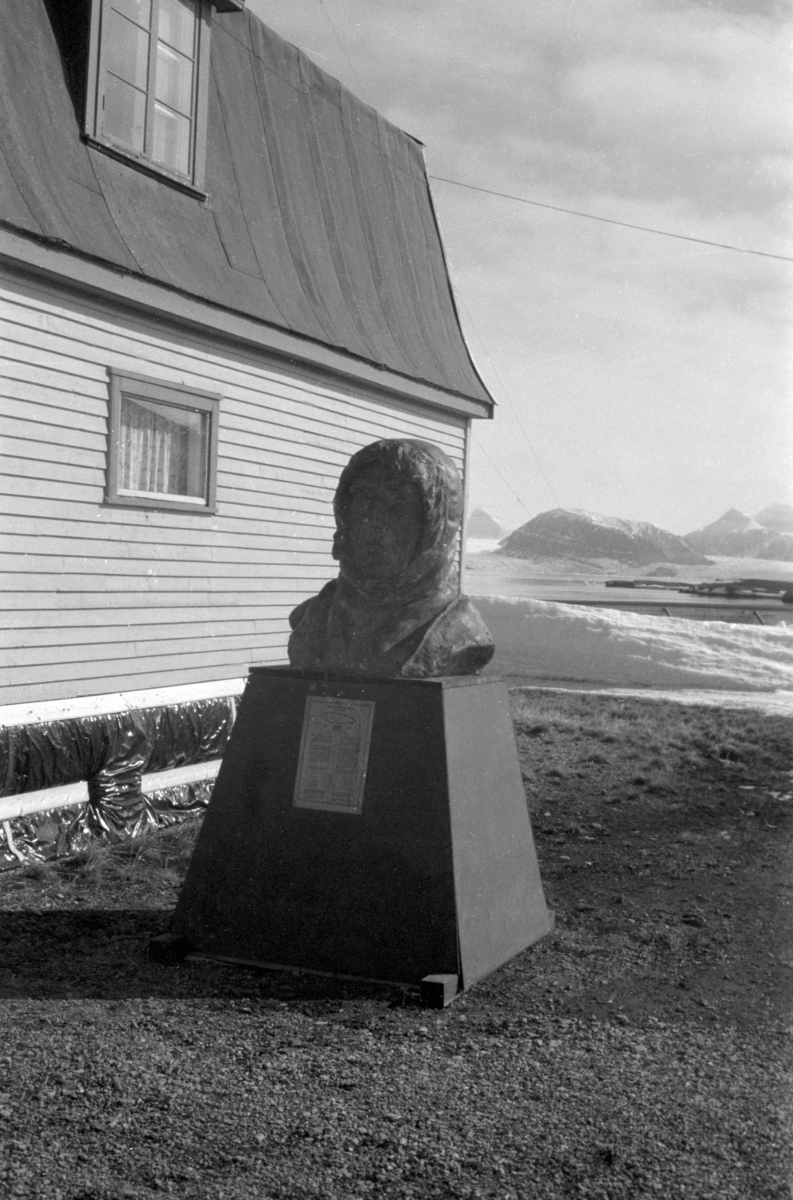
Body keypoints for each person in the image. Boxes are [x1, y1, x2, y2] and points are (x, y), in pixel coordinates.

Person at [287, 438, 495, 677]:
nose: (373, 519)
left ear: (435, 525)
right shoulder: (313, 619)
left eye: (398, 505)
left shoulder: (461, 632)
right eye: (362, 500)